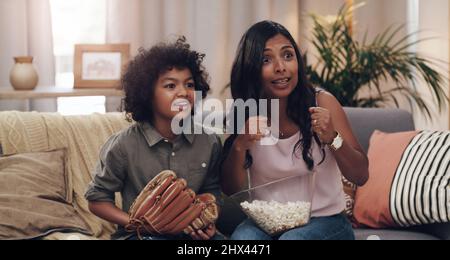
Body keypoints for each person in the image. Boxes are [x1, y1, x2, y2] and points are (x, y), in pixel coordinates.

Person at [221, 21, 369, 240]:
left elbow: (361, 175)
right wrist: (240, 145)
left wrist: (332, 138)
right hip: (265, 222)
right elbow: (230, 188)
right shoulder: (245, 113)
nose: (281, 67)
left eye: (287, 56)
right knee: (243, 241)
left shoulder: (323, 102)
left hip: (326, 222)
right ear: (251, 68)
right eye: (266, 59)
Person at [85, 37, 223, 240]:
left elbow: (212, 193)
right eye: (170, 86)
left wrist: (206, 222)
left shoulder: (209, 142)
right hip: (140, 236)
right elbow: (96, 199)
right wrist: (137, 224)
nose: (183, 92)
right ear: (147, 94)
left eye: (190, 84)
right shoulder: (123, 145)